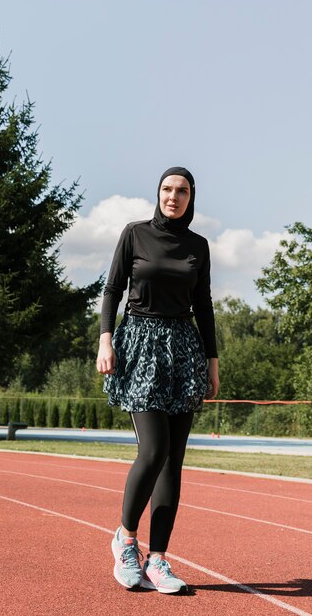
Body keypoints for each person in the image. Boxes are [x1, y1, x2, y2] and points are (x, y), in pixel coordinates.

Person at [96, 166, 219, 594]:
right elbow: (112, 289)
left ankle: (159, 559)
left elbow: (203, 305)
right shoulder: (135, 233)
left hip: (184, 349)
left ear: (191, 197)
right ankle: (125, 539)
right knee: (154, 449)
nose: (173, 196)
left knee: (174, 461)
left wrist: (212, 361)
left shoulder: (198, 246)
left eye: (182, 191)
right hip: (140, 343)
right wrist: (105, 342)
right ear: (158, 193)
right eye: (167, 189)